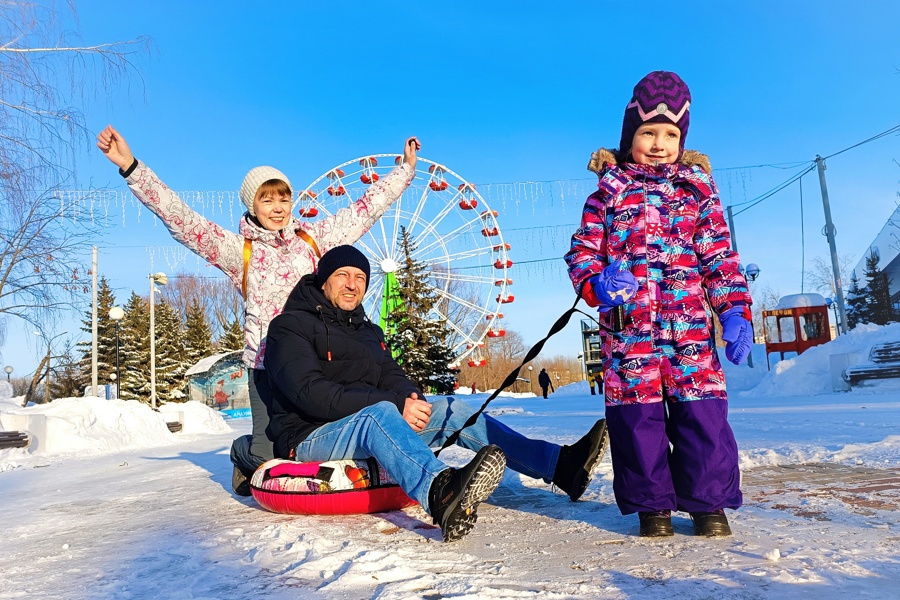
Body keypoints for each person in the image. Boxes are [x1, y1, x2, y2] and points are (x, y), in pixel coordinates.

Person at [96, 126, 420, 495]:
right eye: (267, 201)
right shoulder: (239, 252)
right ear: (253, 206)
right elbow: (182, 221)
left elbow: (364, 211)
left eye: (283, 199)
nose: (278, 208)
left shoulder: (313, 240)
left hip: (315, 359)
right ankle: (242, 453)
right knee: (270, 456)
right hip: (267, 363)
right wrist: (131, 167)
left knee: (313, 439)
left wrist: (405, 170)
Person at [264, 245, 609, 542]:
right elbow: (309, 392)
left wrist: (411, 398)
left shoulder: (368, 330)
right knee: (379, 414)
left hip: (370, 421)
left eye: (360, 278)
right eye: (343, 275)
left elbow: (392, 374)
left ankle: (561, 466)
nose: (352, 285)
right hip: (310, 434)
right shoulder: (289, 326)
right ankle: (441, 494)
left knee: (451, 409)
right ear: (324, 279)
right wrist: (391, 404)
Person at [564, 71, 753, 538]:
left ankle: (709, 505)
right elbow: (582, 253)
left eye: (670, 134)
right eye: (648, 132)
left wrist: (732, 310)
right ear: (630, 135)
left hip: (687, 330)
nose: (658, 143)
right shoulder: (605, 195)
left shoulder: (699, 192)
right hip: (629, 333)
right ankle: (653, 507)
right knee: (637, 423)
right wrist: (598, 282)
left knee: (702, 418)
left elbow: (719, 259)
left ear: (682, 138)